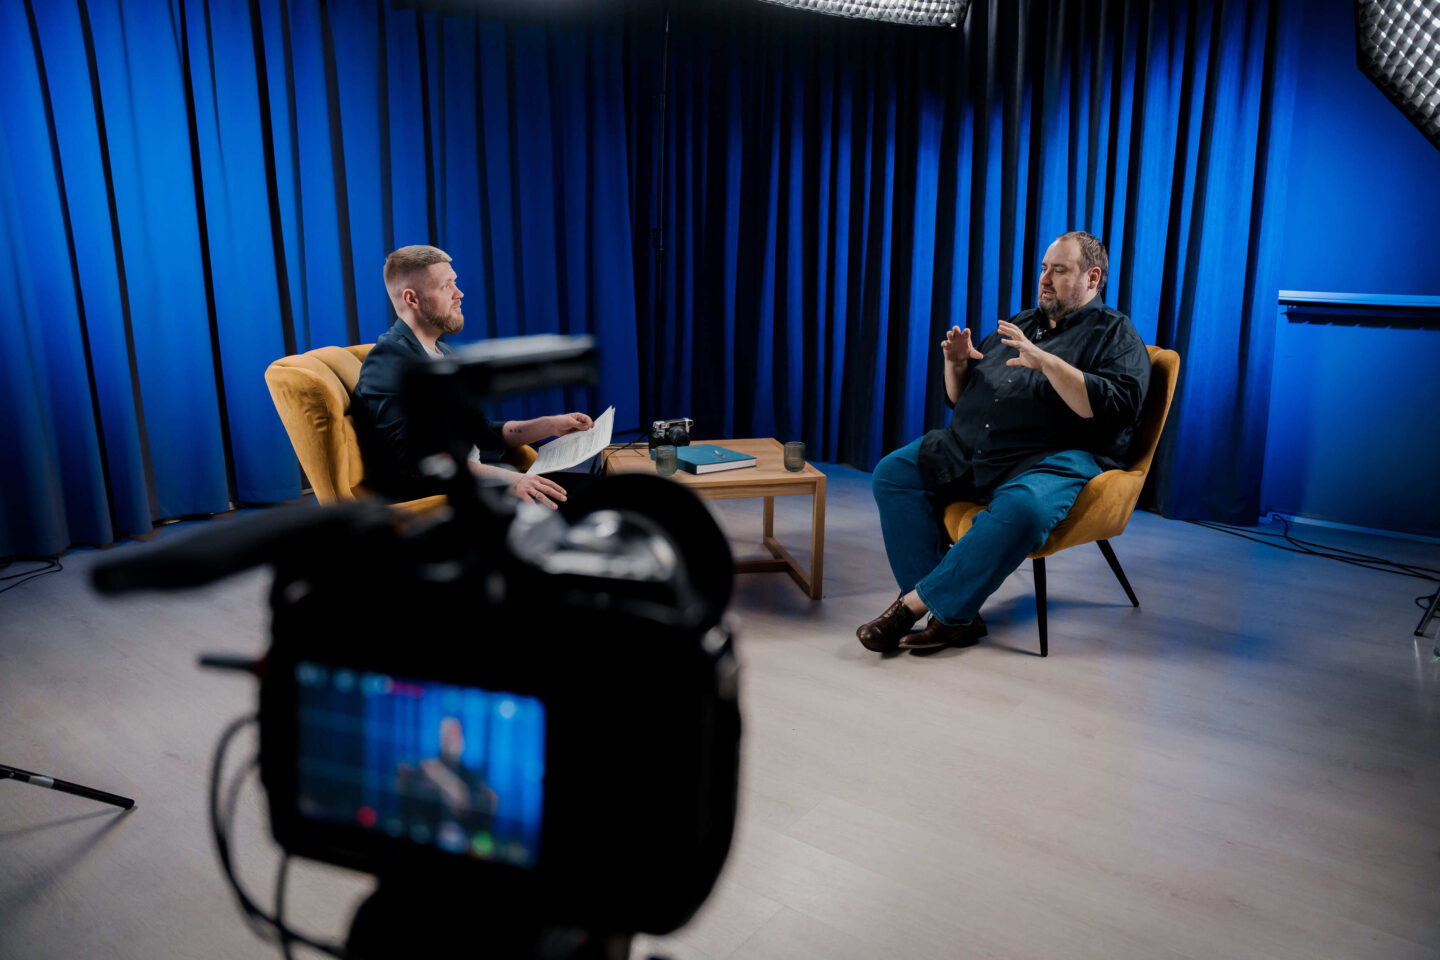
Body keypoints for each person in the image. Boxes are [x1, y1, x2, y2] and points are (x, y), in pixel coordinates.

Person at [857, 231, 1150, 653]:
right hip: (974, 448)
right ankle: (954, 614)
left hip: (1049, 459)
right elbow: (960, 399)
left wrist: (1047, 362)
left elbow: (1115, 408)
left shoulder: (1117, 334)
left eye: (1059, 270)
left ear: (1092, 278)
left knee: (1024, 510)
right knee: (892, 474)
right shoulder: (1022, 322)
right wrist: (956, 364)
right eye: (1044, 268)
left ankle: (913, 606)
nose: (1044, 278)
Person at [354, 244, 593, 508]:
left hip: (486, 482)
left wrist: (550, 425)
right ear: (412, 299)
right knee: (592, 504)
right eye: (446, 286)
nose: (459, 294)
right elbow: (415, 462)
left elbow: (483, 432)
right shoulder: (388, 359)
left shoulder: (443, 354)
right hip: (448, 500)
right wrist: (510, 480)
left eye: (454, 282)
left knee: (599, 488)